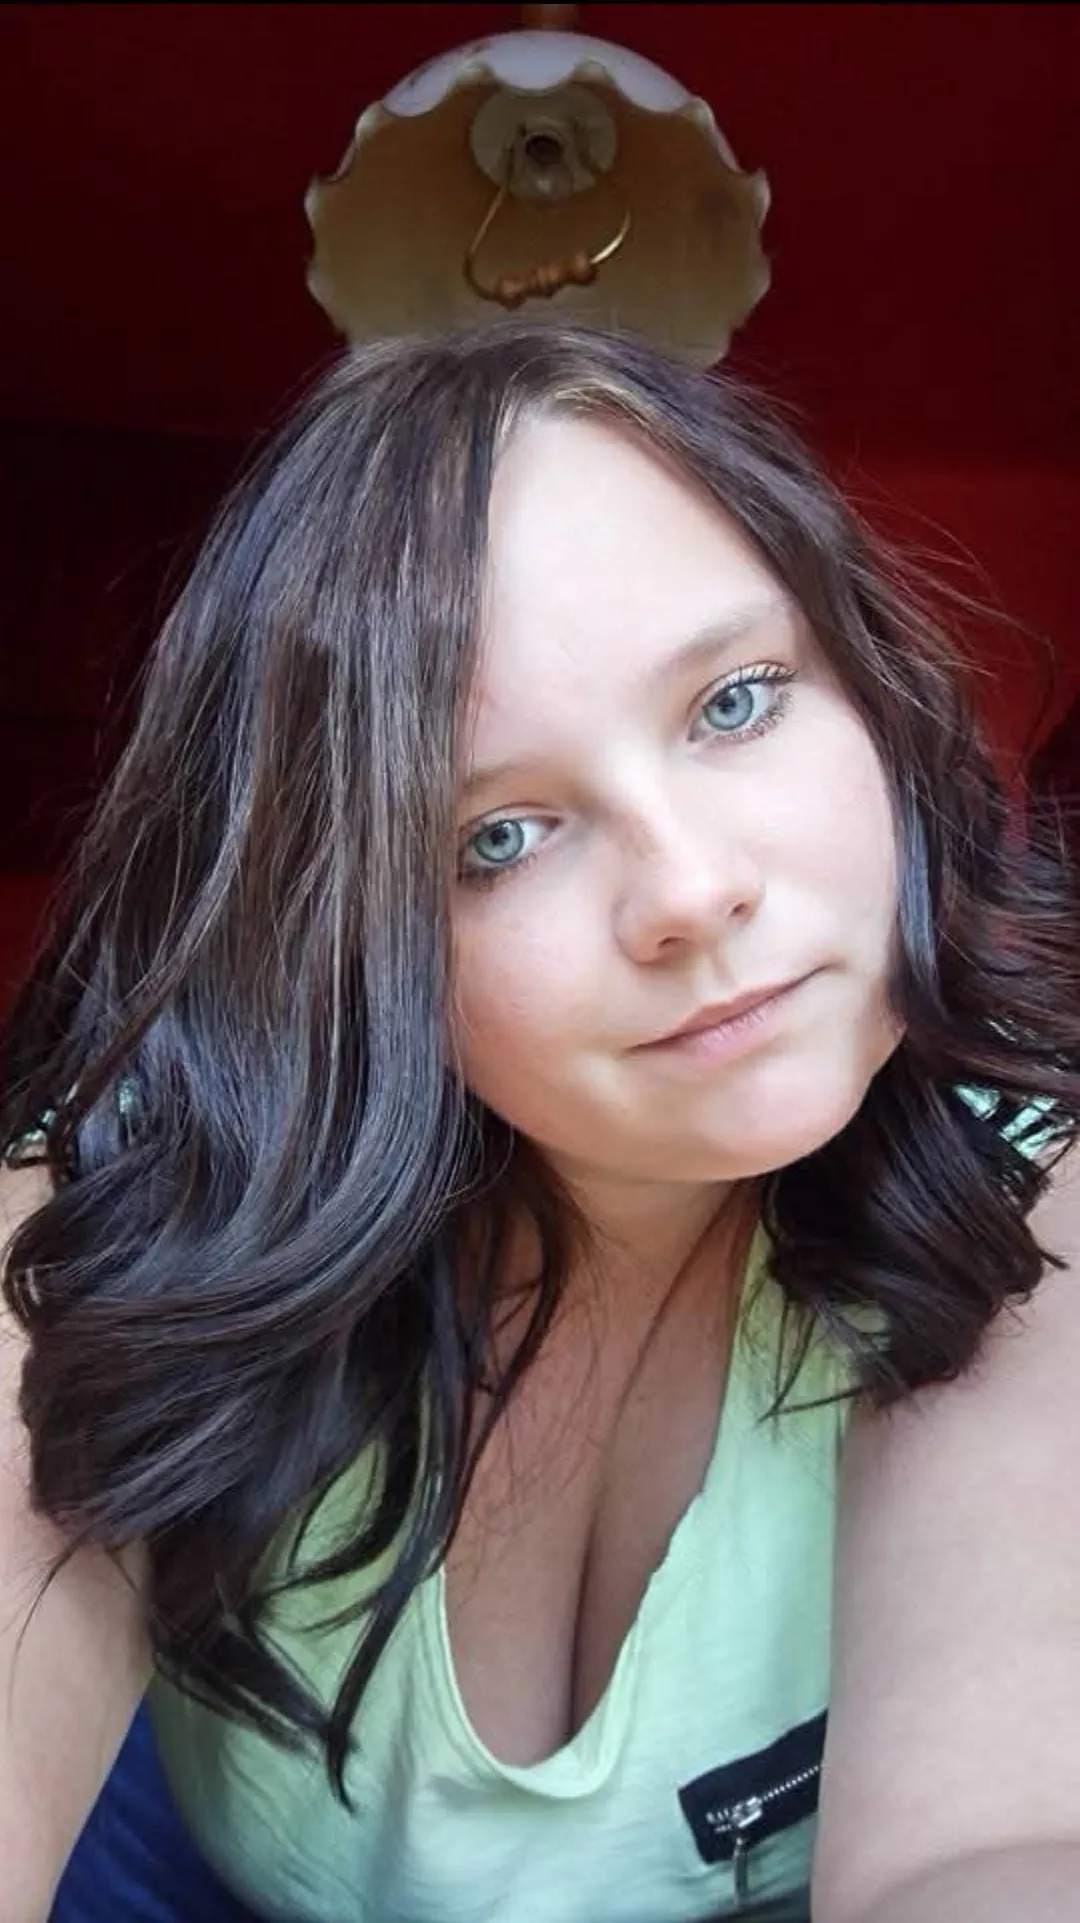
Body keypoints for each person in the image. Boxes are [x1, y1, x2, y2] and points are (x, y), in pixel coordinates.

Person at [2, 322, 1079, 1923]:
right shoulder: (155, 1169)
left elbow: (987, 1847)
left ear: (870, 687)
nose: (690, 888)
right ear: (353, 938)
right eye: (499, 835)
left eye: (736, 702)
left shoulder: (1028, 1184)